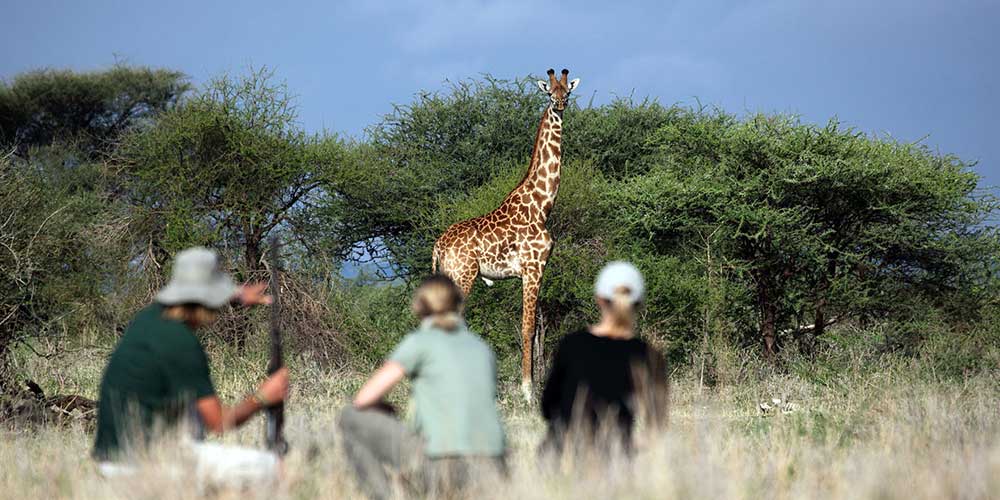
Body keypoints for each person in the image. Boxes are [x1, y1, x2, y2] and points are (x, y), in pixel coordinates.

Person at [92, 247, 289, 484]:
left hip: (110, 460)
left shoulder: (148, 318)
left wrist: (236, 294)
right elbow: (218, 422)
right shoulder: (181, 342)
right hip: (143, 463)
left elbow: (196, 296)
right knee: (274, 468)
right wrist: (263, 397)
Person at [339, 275, 507, 500]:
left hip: (441, 461)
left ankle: (386, 496)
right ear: (458, 302)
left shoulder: (420, 341)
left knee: (351, 416)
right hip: (493, 465)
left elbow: (364, 398)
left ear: (419, 305)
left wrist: (388, 410)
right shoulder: (481, 347)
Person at [540, 261, 669, 457]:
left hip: (561, 455)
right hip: (614, 458)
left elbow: (548, 406)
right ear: (640, 303)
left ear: (599, 299)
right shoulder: (649, 355)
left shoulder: (572, 345)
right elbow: (657, 423)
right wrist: (632, 449)